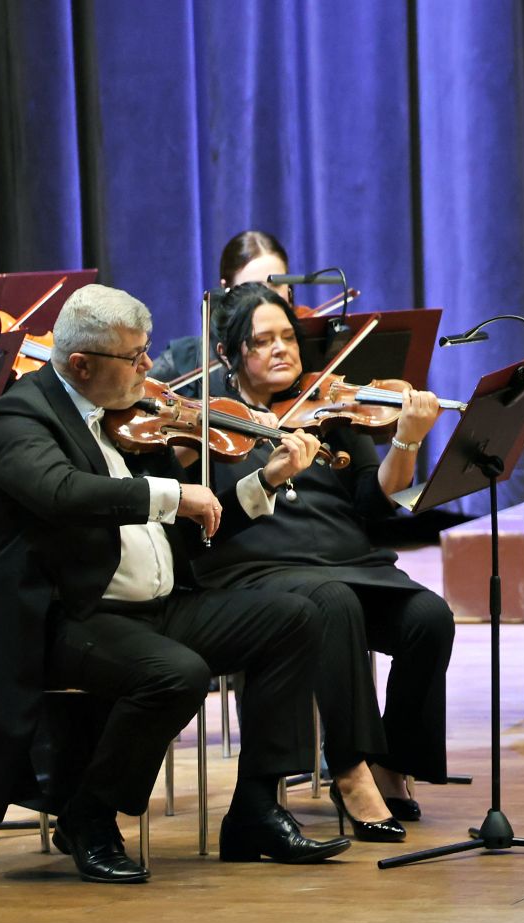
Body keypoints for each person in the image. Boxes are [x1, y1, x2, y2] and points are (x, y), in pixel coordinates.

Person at [0, 283, 349, 882]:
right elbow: (62, 492)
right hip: (72, 618)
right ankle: (89, 815)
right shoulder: (18, 418)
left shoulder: (133, 417)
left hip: (157, 607)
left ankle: (256, 808)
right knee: (177, 674)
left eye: (146, 350)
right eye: (134, 356)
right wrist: (172, 493)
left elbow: (190, 527)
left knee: (294, 617)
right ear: (81, 364)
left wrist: (264, 480)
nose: (149, 366)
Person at [193, 282, 455, 840]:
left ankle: (393, 759)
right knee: (335, 604)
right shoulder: (208, 420)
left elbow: (375, 500)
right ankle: (350, 768)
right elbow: (209, 514)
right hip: (260, 568)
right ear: (228, 353)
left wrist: (407, 441)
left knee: (429, 618)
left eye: (288, 337)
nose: (281, 349)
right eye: (262, 340)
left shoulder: (328, 407)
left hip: (347, 559)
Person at [148, 229, 294, 383]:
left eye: (276, 285)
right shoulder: (190, 359)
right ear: (227, 289)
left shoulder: (305, 344)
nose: (267, 297)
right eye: (254, 287)